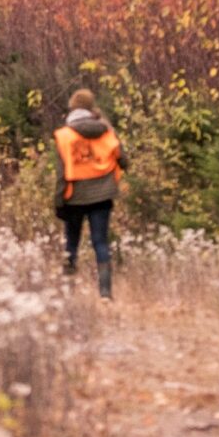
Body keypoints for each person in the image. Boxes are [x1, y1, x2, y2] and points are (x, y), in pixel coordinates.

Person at [53, 88, 128, 299]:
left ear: (72, 107)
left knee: (71, 243)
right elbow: (123, 160)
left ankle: (68, 294)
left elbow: (61, 173)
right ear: (91, 107)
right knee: (100, 242)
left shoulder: (64, 136)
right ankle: (105, 294)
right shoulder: (106, 131)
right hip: (102, 196)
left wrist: (58, 202)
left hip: (74, 197)